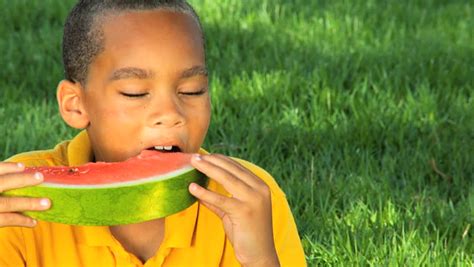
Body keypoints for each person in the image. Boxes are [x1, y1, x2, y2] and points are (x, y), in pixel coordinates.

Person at [0, 1, 306, 266]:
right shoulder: (19, 202)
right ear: (75, 105)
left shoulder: (248, 198)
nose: (170, 114)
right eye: (135, 93)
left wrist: (261, 260)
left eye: (192, 90)